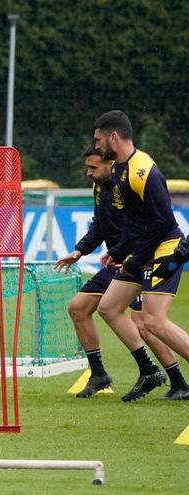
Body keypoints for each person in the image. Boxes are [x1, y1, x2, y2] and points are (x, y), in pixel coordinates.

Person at [55, 146, 188, 400]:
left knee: (147, 322)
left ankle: (176, 380)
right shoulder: (100, 188)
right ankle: (104, 373)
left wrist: (126, 254)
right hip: (123, 259)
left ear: (110, 165)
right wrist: (81, 251)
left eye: (93, 168)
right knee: (81, 307)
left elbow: (148, 225)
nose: (88, 173)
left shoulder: (129, 183)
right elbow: (101, 226)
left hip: (139, 256)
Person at [93, 110, 189, 401]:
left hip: (164, 249)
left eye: (98, 140)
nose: (96, 146)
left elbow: (163, 223)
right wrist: (119, 252)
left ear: (114, 137)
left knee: (153, 321)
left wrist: (136, 258)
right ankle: (150, 371)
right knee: (109, 306)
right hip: (142, 251)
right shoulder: (119, 169)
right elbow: (137, 222)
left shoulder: (142, 170)